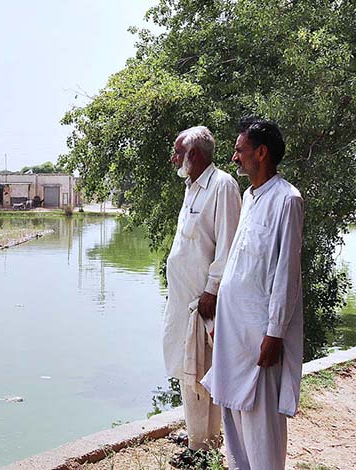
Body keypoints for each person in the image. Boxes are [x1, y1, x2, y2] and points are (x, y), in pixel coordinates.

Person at [201, 117, 304, 469]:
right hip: (234, 332)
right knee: (233, 415)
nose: (234, 158)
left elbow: (286, 275)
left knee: (262, 427)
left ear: (261, 153)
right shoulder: (249, 196)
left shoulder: (287, 200)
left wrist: (274, 333)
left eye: (239, 150)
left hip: (261, 334)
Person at [162, 126, 241, 467]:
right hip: (184, 301)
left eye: (178, 152)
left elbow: (228, 245)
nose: (174, 158)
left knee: (203, 372)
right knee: (189, 369)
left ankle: (203, 448)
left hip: (204, 302)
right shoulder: (191, 187)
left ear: (193, 155)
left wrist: (212, 289)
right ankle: (198, 438)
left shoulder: (222, 186)